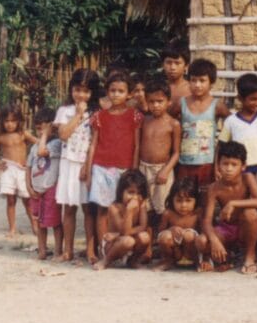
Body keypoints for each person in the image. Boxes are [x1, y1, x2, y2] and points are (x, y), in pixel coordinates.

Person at [85, 71, 142, 249]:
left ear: (129, 94)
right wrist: (88, 172)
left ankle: (120, 245)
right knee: (102, 209)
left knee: (121, 209)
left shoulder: (135, 116)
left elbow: (137, 145)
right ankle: (104, 248)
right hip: (101, 168)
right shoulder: (99, 116)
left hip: (124, 169)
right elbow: (93, 145)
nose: (116, 94)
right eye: (112, 90)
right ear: (107, 92)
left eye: (121, 91)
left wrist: (133, 172)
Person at [54, 68, 101, 262]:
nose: (81, 95)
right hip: (68, 164)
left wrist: (88, 166)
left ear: (93, 93)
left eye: (86, 91)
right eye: (77, 89)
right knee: (69, 208)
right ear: (71, 89)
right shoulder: (64, 111)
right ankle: (68, 250)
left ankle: (91, 250)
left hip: (87, 165)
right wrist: (78, 115)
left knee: (88, 209)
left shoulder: (97, 113)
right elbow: (63, 135)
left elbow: (96, 142)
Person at [201, 141, 257, 273]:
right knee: (201, 241)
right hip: (226, 229)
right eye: (225, 164)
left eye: (234, 164)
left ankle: (249, 256)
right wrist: (214, 240)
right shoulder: (214, 188)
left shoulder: (247, 178)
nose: (229, 169)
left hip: (245, 228)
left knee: (251, 213)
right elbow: (207, 220)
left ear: (243, 166)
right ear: (218, 165)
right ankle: (226, 257)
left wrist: (233, 203)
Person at [218, 73, 257, 211]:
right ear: (240, 98)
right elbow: (221, 146)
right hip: (243, 173)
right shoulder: (231, 121)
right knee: (246, 206)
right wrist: (217, 168)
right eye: (252, 99)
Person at [173, 58, 229, 186]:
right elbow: (168, 121)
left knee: (205, 198)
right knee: (184, 198)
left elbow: (232, 123)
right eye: (193, 80)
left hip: (207, 162)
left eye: (202, 81)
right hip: (184, 162)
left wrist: (221, 152)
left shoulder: (217, 105)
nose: (197, 85)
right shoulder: (181, 103)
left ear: (211, 82)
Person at [0, 106, 37, 237]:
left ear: (19, 121)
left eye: (13, 121)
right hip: (9, 170)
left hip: (22, 171)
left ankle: (35, 226)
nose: (10, 124)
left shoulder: (23, 134)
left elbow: (38, 144)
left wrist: (33, 161)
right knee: (10, 201)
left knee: (27, 200)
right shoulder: (1, 137)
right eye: (7, 121)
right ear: (2, 122)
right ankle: (12, 229)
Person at [137, 80, 180, 219]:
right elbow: (138, 146)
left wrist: (166, 171)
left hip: (162, 170)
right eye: (151, 101)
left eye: (160, 101)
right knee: (144, 206)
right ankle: (148, 237)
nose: (155, 105)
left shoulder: (173, 124)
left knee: (161, 206)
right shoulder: (144, 121)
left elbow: (176, 152)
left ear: (168, 102)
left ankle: (160, 236)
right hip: (143, 168)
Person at [93, 169, 152, 270]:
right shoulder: (114, 208)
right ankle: (106, 260)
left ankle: (132, 261)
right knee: (128, 241)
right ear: (121, 192)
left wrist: (116, 235)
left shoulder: (142, 205)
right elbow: (125, 232)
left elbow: (142, 227)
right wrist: (129, 211)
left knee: (145, 237)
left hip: (122, 238)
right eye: (131, 192)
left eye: (138, 193)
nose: (135, 197)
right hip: (112, 245)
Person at [25, 107, 64, 260]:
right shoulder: (34, 147)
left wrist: (47, 134)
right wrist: (28, 187)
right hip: (36, 190)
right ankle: (42, 250)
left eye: (44, 129)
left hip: (50, 189)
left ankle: (58, 251)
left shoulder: (56, 144)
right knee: (39, 222)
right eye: (38, 129)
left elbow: (43, 152)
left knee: (54, 222)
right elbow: (28, 167)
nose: (41, 132)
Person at [154, 176, 206, 271]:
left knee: (189, 235)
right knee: (165, 236)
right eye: (179, 201)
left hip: (191, 251)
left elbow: (203, 232)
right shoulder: (168, 213)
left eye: (188, 201)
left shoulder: (197, 213)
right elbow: (160, 233)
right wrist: (170, 229)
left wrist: (205, 257)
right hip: (175, 250)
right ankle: (168, 261)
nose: (183, 205)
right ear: (172, 199)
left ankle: (196, 262)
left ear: (195, 201)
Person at [161, 43, 191, 111]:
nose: (172, 67)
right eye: (168, 63)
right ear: (163, 65)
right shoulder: (157, 88)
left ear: (186, 66)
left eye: (177, 63)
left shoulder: (191, 89)